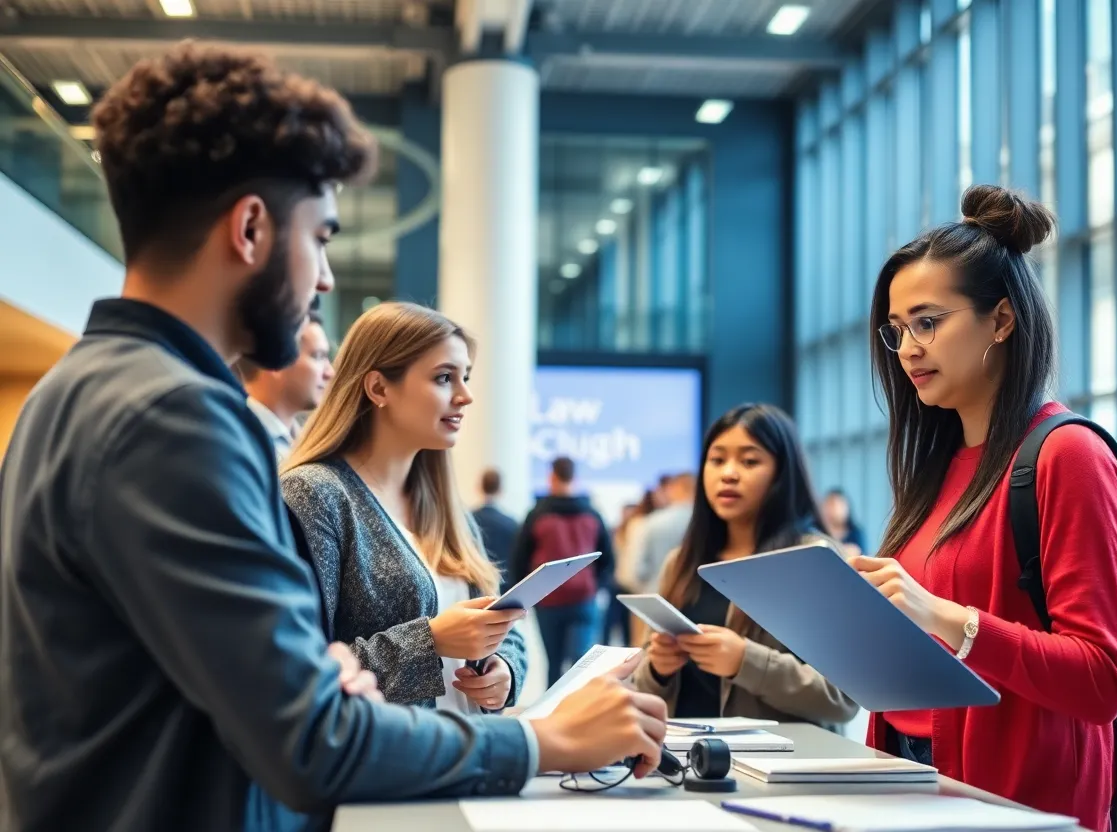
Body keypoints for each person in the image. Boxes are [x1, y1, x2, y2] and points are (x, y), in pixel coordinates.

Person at [0, 43, 667, 832]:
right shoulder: (172, 420)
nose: (322, 278)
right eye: (320, 237)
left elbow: (250, 689)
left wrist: (329, 678)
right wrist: (540, 742)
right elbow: (309, 738)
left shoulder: (71, 392)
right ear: (251, 228)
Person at [858, 185, 1117, 832]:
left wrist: (942, 615)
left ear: (1002, 320)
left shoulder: (1068, 456)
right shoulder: (936, 466)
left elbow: (1101, 679)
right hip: (906, 782)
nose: (907, 350)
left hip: (1016, 801)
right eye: (897, 330)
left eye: (927, 322)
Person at [280, 302, 528, 714]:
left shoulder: (447, 507)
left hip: (468, 761)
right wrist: (429, 641)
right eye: (445, 378)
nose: (465, 396)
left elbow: (501, 621)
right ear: (378, 388)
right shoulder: (315, 494)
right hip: (386, 768)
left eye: (465, 378)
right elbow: (299, 669)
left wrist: (505, 668)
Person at [633, 404, 859, 729]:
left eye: (750, 461)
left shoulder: (813, 559)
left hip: (782, 768)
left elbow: (841, 697)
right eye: (717, 459)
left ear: (782, 473)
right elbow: (642, 685)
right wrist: (657, 668)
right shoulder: (682, 562)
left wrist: (745, 661)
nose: (728, 473)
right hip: (686, 762)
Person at [511, 456, 616, 685]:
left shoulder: (538, 514)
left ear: (552, 476)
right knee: (581, 664)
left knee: (554, 663)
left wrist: (524, 598)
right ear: (574, 477)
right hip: (584, 599)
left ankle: (553, 716)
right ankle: (581, 714)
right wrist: (597, 586)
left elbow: (521, 557)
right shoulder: (591, 513)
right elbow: (607, 558)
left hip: (549, 599)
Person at [236, 310, 334, 462]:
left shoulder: (301, 441)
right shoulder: (238, 442)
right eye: (318, 356)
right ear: (278, 361)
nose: (330, 372)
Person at [632, 471, 696, 592]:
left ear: (674, 489)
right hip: (693, 595)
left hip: (657, 594)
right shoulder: (703, 522)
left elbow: (640, 570)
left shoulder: (652, 522)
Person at [473, 468, 519, 578]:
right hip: (505, 584)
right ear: (500, 489)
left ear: (480, 487)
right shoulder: (512, 524)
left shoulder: (468, 520)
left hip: (477, 584)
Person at [822, 488, 867, 557]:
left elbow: (863, 556)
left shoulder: (856, 533)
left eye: (836, 505)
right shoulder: (818, 532)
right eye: (829, 505)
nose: (833, 510)